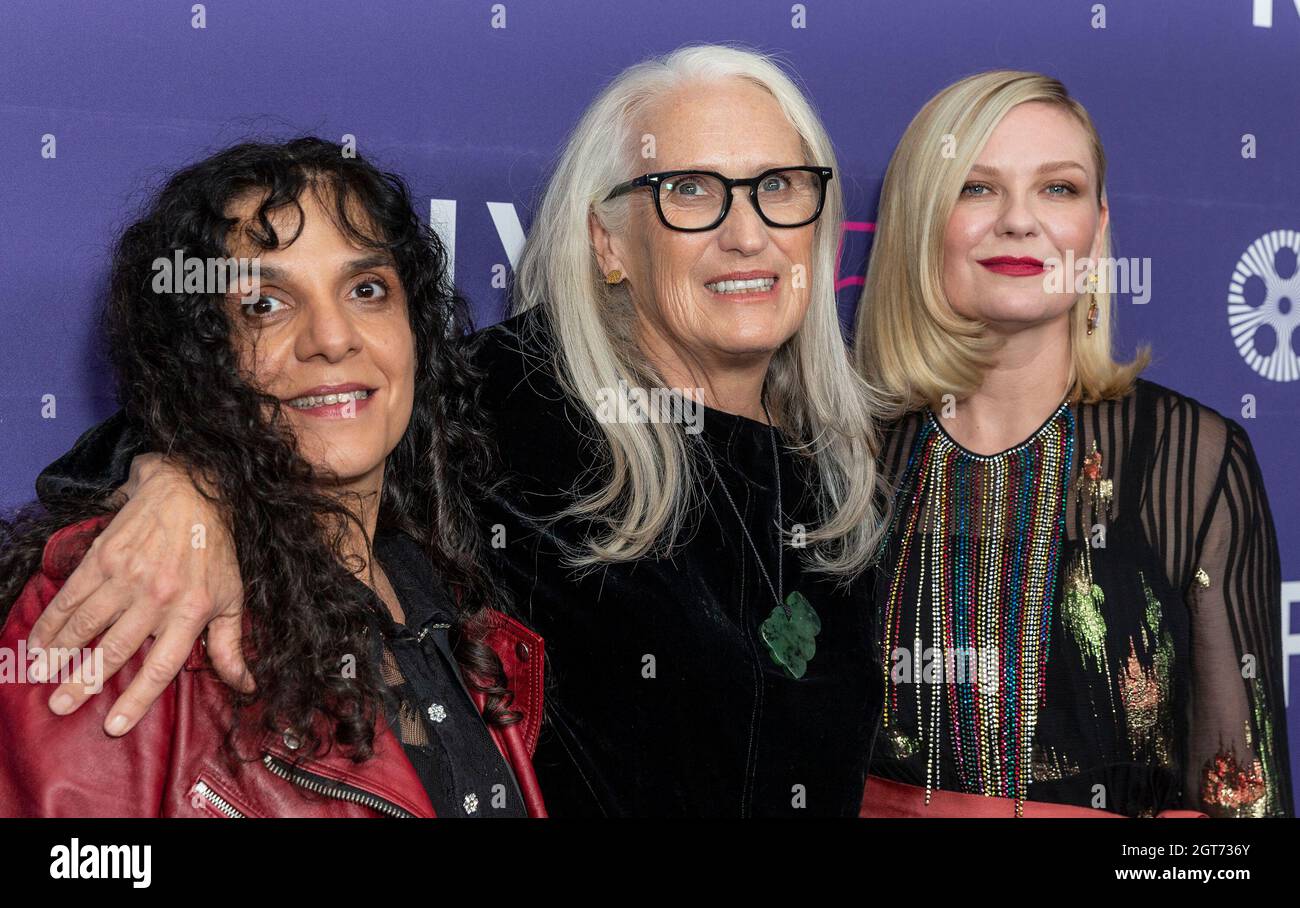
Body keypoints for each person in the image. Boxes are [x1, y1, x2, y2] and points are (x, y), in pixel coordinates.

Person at [21, 45, 888, 816]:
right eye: (689, 190)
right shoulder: (504, 401)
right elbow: (261, 402)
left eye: (780, 187)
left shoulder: (846, 465)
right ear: (608, 243)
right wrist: (182, 485)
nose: (747, 233)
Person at [0, 138, 546, 817]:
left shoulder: (450, 603)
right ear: (200, 355)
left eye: (367, 290)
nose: (333, 337)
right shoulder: (131, 593)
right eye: (264, 305)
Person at [854, 71, 1293, 817]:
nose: (1020, 221)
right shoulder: (833, 459)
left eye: (1058, 188)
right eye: (977, 188)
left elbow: (1242, 813)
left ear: (1097, 227)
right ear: (919, 221)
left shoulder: (1195, 459)